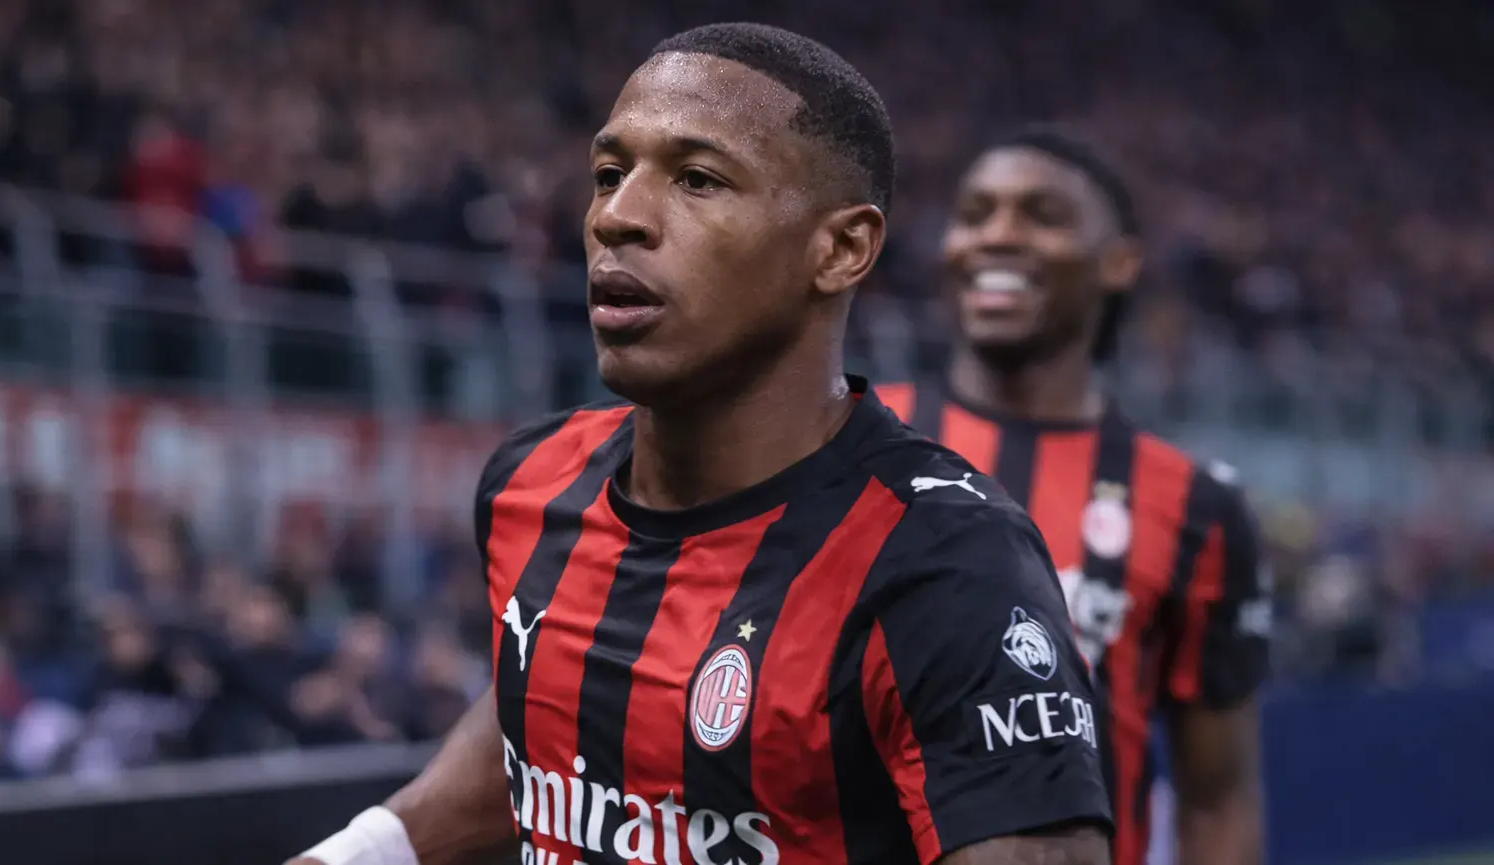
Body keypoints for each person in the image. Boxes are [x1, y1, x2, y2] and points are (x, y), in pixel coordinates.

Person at [290, 23, 1111, 865]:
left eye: (697, 180)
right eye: (608, 175)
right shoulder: (531, 482)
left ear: (840, 248)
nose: (618, 217)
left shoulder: (942, 567)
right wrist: (357, 853)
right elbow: (541, 714)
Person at [876, 127, 1271, 865]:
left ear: (1119, 261)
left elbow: (1219, 798)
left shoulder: (1196, 506)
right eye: (975, 212)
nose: (997, 234)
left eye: (1042, 215)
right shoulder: (851, 440)